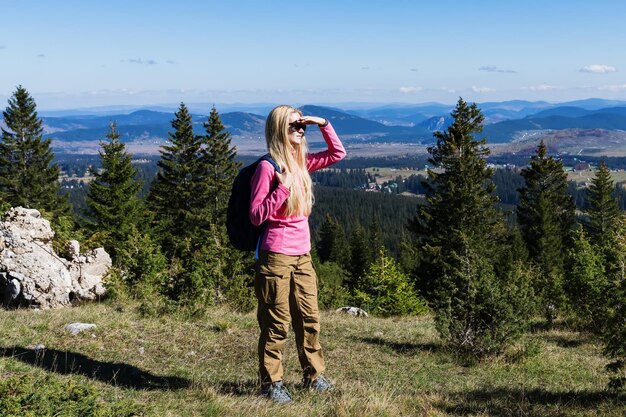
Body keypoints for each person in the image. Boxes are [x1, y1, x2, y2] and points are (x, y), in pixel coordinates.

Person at [249, 105, 346, 403]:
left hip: (303, 254)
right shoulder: (268, 168)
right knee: (276, 322)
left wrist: (323, 123)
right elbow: (255, 215)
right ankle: (271, 383)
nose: (300, 130)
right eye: (294, 126)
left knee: (309, 318)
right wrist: (283, 190)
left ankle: (314, 376)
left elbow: (337, 154)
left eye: (302, 125)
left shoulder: (301, 162)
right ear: (280, 129)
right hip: (275, 255)